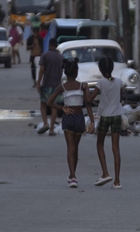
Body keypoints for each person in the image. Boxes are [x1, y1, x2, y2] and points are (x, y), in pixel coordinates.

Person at [46, 60, 96, 188]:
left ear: (65, 73)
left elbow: (49, 102)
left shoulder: (62, 87)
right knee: (76, 147)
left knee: (70, 147)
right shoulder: (82, 86)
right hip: (79, 118)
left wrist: (62, 108)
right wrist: (92, 120)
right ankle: (73, 175)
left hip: (68, 118)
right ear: (77, 72)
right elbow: (88, 104)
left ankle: (72, 176)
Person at [86, 56, 126, 188]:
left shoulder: (101, 83)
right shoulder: (119, 82)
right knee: (116, 148)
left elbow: (90, 99)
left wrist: (86, 92)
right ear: (112, 68)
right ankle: (118, 181)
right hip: (117, 116)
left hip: (105, 116)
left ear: (101, 69)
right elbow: (120, 98)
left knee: (100, 144)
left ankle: (105, 173)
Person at [35, 44, 64, 135]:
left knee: (43, 104)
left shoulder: (45, 55)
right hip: (57, 85)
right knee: (54, 106)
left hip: (47, 84)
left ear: (49, 45)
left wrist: (38, 82)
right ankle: (51, 129)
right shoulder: (60, 56)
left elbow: (42, 69)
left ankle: (45, 123)